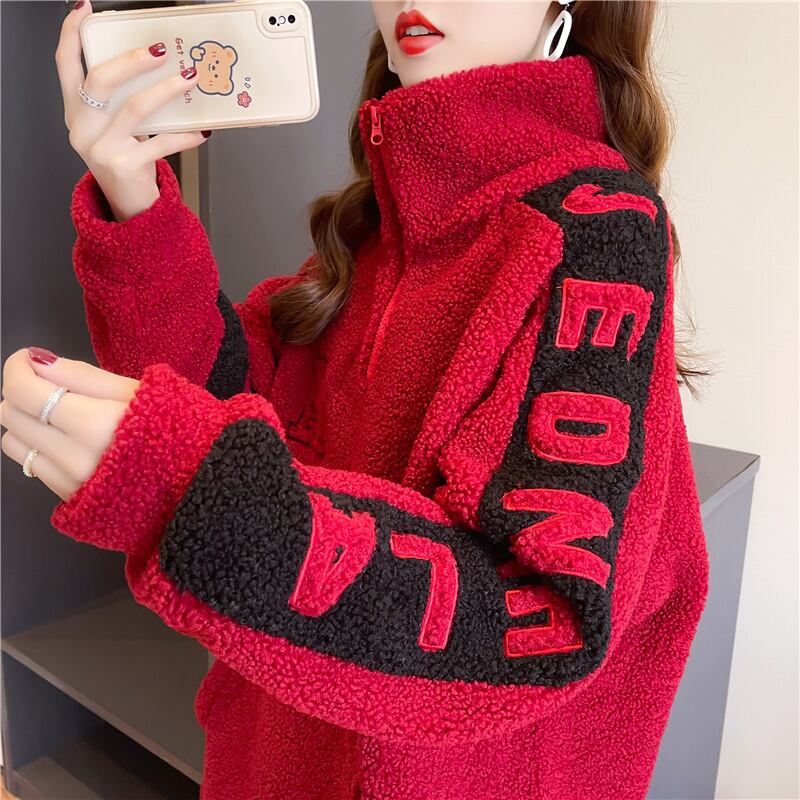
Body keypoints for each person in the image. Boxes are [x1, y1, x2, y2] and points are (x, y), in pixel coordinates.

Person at [0, 1, 710, 798]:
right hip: (273, 756)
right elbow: (225, 396)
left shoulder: (599, 230)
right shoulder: (383, 222)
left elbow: (538, 618)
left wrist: (183, 488)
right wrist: (130, 192)